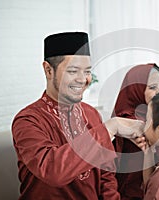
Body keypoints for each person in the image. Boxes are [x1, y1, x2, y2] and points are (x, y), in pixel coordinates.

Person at [11, 32, 144, 200]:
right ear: (48, 70)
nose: (83, 80)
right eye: (73, 71)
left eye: (87, 71)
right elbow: (52, 171)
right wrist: (111, 127)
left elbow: (106, 176)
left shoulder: (91, 114)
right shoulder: (28, 120)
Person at [111, 63, 159, 199]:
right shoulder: (129, 120)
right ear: (136, 89)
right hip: (133, 192)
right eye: (153, 87)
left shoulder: (152, 112)